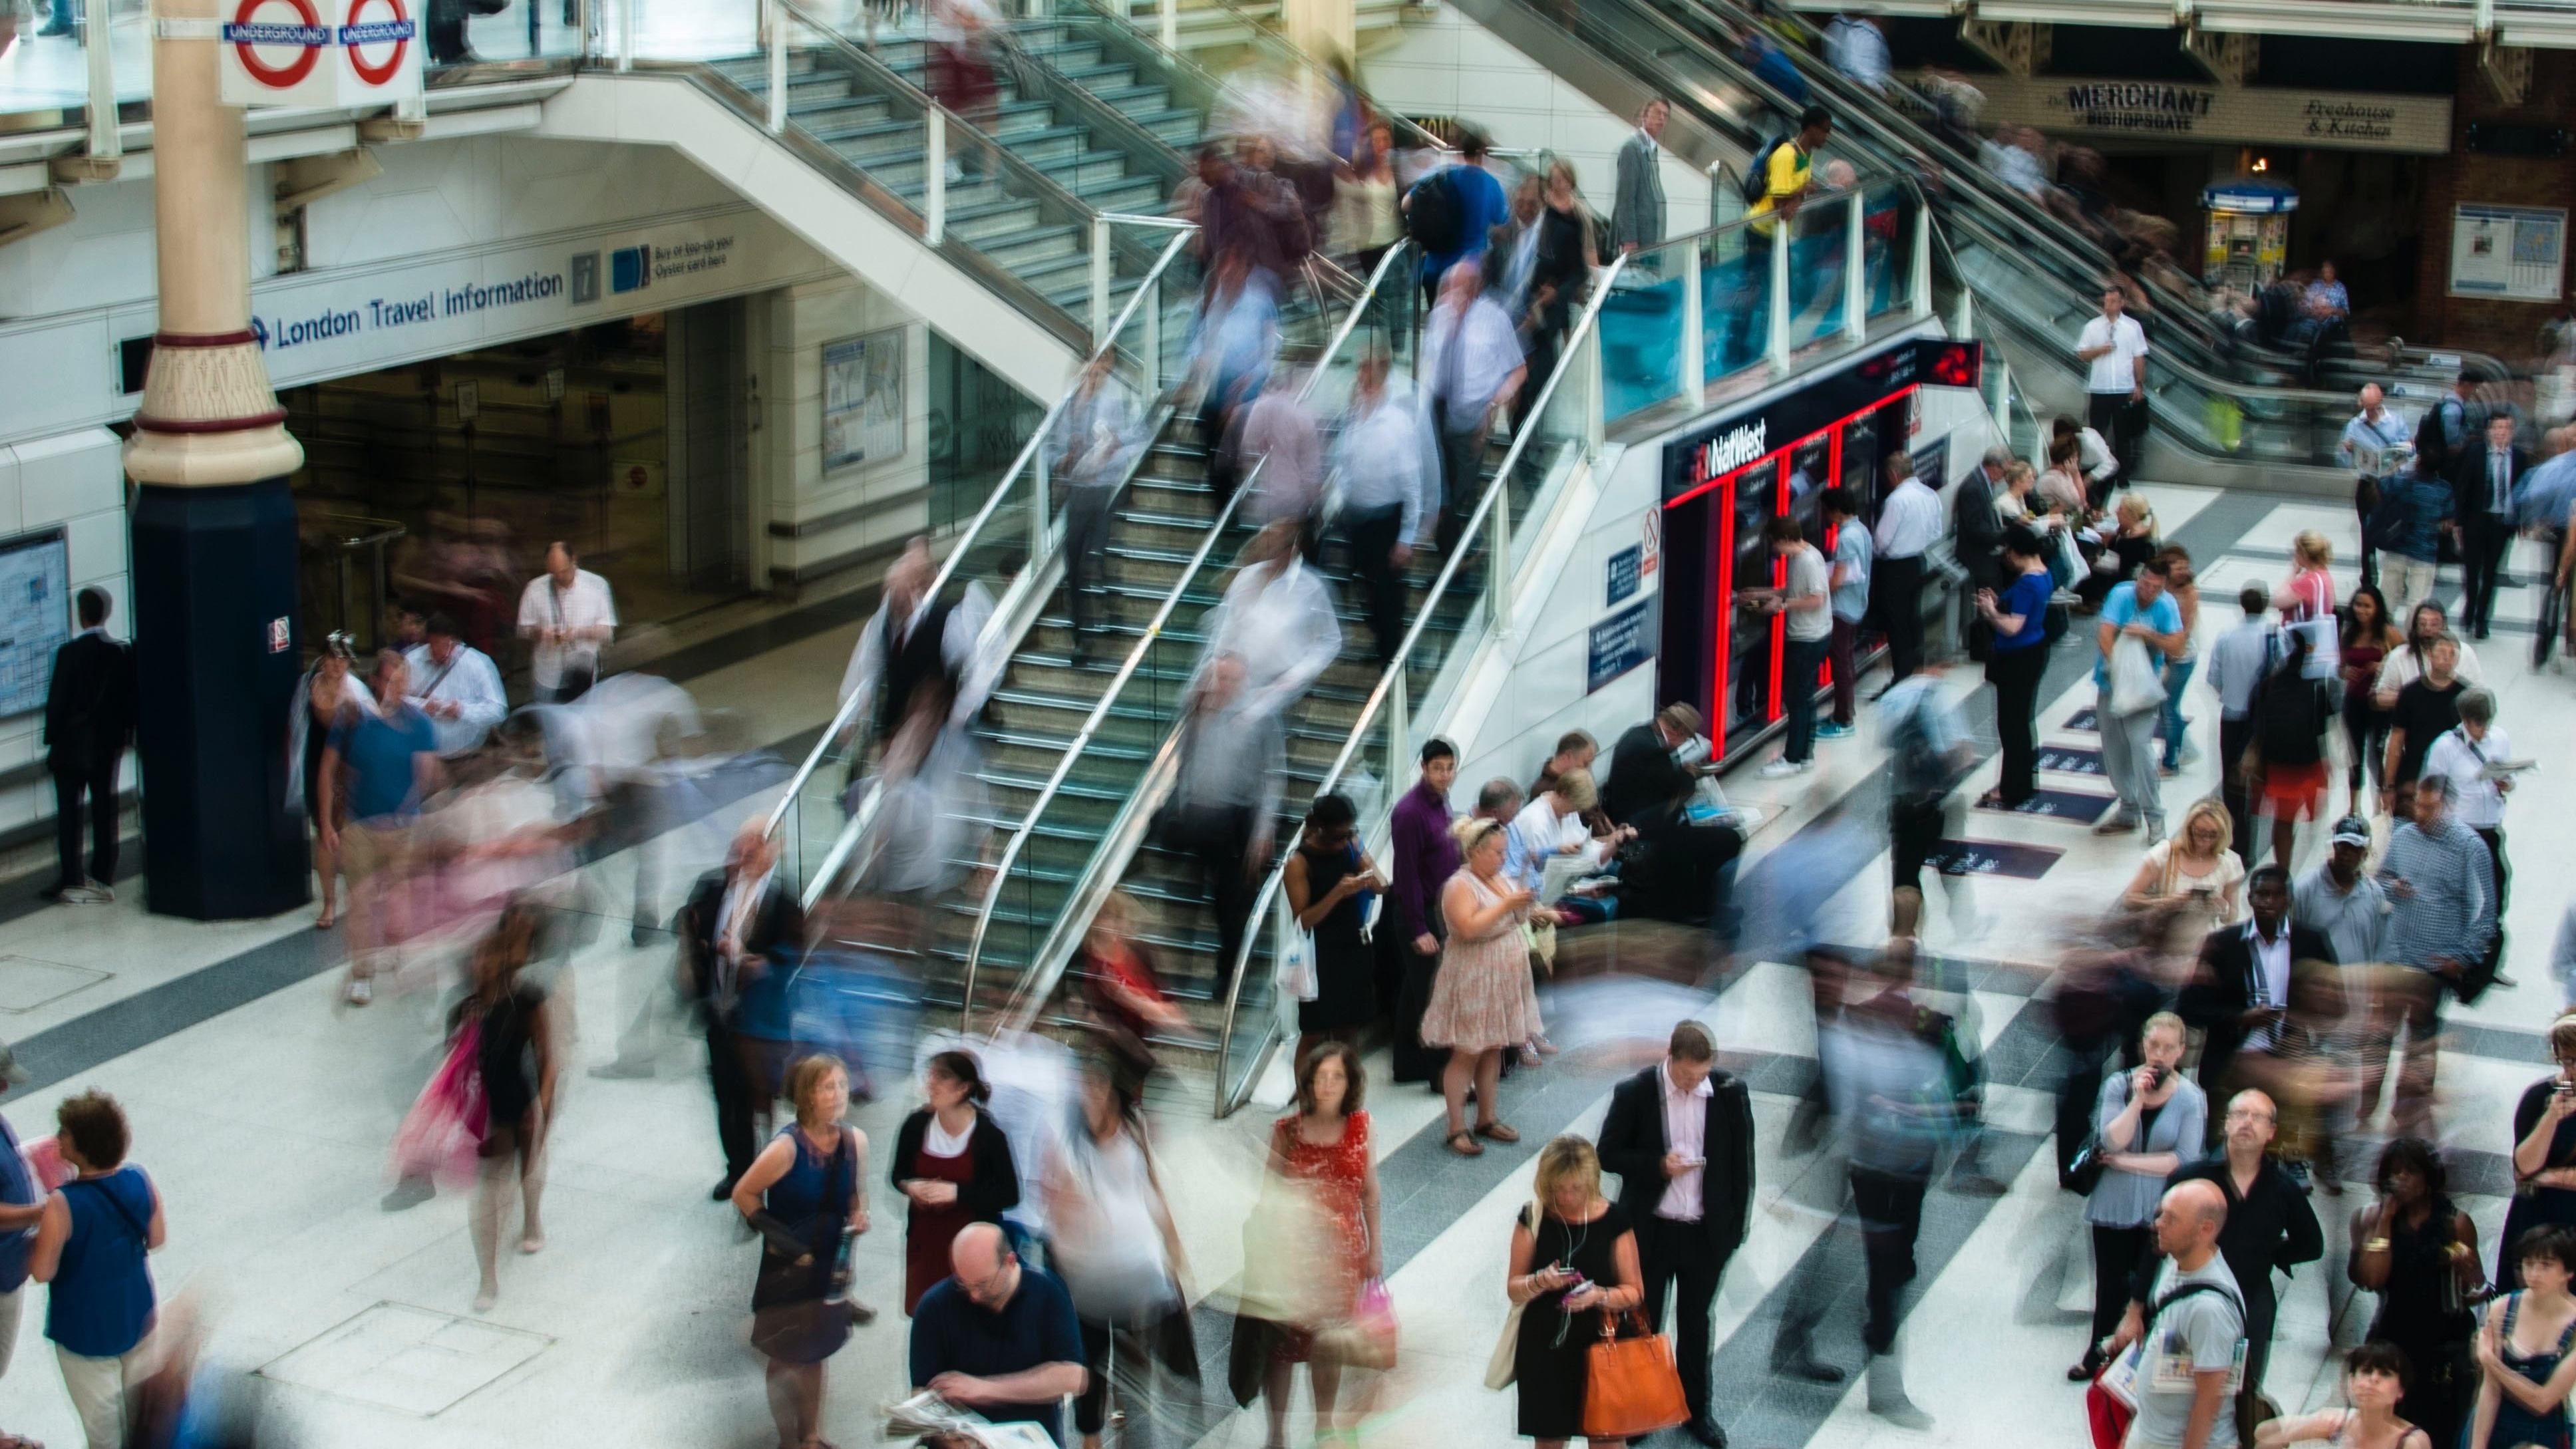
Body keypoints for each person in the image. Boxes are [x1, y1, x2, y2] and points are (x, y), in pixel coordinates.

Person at [1595, 1022, 1750, 1448]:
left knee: (1696, 1324)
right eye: (1686, 1075)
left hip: (1704, 1234)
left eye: (1701, 1076)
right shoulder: (1636, 1093)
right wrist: (1659, 1165)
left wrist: (1734, 1231)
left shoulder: (1730, 1094)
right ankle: (1641, 1410)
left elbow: (1742, 1168)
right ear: (1671, 1057)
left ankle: (1696, 1410)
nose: (1694, 1083)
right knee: (1643, 1322)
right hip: (1652, 1231)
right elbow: (1607, 1154)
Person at [2126, 1090, 2322, 1392]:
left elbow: (2312, 1244)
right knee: (2176, 1389)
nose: (2247, 1122)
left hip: (2250, 1300)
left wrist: (2272, 1254)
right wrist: (2135, 1309)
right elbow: (2157, 1243)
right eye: (2240, 1114)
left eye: (2258, 1118)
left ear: (2271, 1133)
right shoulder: (2191, 1177)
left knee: (2242, 1393)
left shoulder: (2283, 1188)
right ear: (2226, 1123)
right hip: (2188, 1295)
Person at [1050, 1056, 1188, 1449]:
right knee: (1089, 1359)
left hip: (1136, 1269)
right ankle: (1092, 1436)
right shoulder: (1068, 1143)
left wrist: (1174, 1248)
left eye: (1098, 1088)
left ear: (1113, 1093)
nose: (1090, 1096)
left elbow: (1152, 1186)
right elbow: (1057, 1204)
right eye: (1085, 1090)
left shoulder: (1133, 1129)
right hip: (1086, 1275)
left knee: (1135, 1357)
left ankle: (1133, 1428)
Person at [733, 1054, 868, 1449]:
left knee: (817, 1353)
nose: (839, 1094)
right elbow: (744, 1194)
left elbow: (856, 1197)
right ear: (807, 1095)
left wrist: (860, 1216)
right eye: (828, 1087)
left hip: (828, 1268)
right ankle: (786, 1441)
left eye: (842, 1085)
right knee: (785, 1355)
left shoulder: (854, 1142)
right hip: (787, 1271)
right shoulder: (786, 1148)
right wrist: (785, 1241)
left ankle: (811, 1435)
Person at [1261, 1043, 1382, 1448]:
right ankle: (1276, 1433)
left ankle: (1323, 1425)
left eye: (1337, 1076)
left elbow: (1370, 1192)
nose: (1328, 1085)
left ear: (1350, 1083)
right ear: (1308, 1083)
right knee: (1280, 1347)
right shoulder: (1287, 1131)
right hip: (1292, 1255)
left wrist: (1375, 1248)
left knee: (1328, 1344)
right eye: (1321, 1077)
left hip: (1343, 1257)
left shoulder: (1362, 1127)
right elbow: (1268, 1198)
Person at [2076, 1012, 2207, 1380]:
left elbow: (2183, 1160)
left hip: (2159, 1209)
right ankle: (2097, 1355)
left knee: (2146, 1290)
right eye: (2153, 1046)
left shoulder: (2191, 1098)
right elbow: (2112, 1137)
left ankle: (2138, 1365)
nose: (2159, 1055)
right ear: (2142, 1047)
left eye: (2168, 1048)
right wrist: (2137, 1100)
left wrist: (2124, 1162)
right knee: (2109, 1285)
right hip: (2113, 1203)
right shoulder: (2118, 1085)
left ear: (2181, 1051)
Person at [30, 1090, 164, 1449]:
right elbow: (157, 1237)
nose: (58, 1138)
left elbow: (42, 1271)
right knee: (146, 1426)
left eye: (65, 1132)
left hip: (85, 1331)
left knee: (105, 1434)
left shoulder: (63, 1203)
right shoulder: (140, 1179)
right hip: (136, 1315)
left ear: (82, 1144)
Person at [679, 823, 806, 1195]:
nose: (745, 853)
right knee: (724, 1096)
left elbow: (793, 958)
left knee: (756, 1100)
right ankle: (737, 1170)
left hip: (758, 1024)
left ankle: (763, 1175)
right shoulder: (714, 888)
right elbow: (689, 926)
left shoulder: (782, 903)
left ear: (772, 852)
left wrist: (755, 962)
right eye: (741, 845)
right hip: (719, 1014)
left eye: (756, 846)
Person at [319, 650, 443, 1006]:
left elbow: (426, 775)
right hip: (359, 826)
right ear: (376, 681)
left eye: (403, 681)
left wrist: (414, 812)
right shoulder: (353, 719)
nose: (397, 688)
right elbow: (327, 769)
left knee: (399, 902)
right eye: (390, 680)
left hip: (404, 828)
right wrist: (328, 822)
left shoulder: (418, 724)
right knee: (359, 902)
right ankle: (362, 974)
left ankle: (396, 947)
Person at [1502, 1136, 1643, 1449]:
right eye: (1558, 1189)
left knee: (1607, 1439)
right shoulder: (1533, 1218)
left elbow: (1634, 1291)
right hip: (1545, 1348)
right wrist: (1540, 1281)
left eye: (1574, 1189)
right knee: (1549, 1439)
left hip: (1603, 1345)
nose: (1565, 1197)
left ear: (1591, 1182)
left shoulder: (1615, 1220)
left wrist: (1600, 1296)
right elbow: (1514, 1288)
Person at [2375, 776, 2495, 1131]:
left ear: (2448, 806)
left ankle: (2408, 1108)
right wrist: (2392, 887)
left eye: (2430, 807)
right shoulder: (2403, 837)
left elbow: (2485, 910)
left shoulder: (2470, 848)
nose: (2421, 813)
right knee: (2380, 1032)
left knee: (2421, 1037)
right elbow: (2381, 878)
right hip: (2397, 954)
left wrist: (2464, 955)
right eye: (2419, 806)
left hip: (2434, 963)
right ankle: (2367, 1099)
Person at [1164, 655, 1285, 1000]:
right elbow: (1184, 760)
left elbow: (1272, 776)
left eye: (1231, 679)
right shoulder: (1198, 710)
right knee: (1186, 895)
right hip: (1198, 816)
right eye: (1220, 678)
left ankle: (1228, 976)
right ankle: (1179, 975)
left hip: (1236, 819)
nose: (1224, 685)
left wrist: (1264, 830)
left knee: (1229, 904)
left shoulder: (1259, 716)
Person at [454, 903, 557, 1313]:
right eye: (479, 957)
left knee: (528, 1171)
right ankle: (488, 1277)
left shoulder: (527, 1000)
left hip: (520, 1100)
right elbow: (454, 1072)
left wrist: (544, 1103)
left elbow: (547, 1058)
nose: (484, 964)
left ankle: (532, 1217)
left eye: (491, 955)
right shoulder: (464, 1010)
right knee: (486, 1192)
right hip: (484, 1112)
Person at [2348, 1139, 2482, 1448]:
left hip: (2444, 1344)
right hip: (2395, 1336)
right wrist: (2385, 1220)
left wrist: (2467, 1273)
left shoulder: (2455, 1223)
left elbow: (2476, 1289)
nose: (2401, 1180)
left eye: (2410, 1172)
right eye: (2394, 1173)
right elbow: (2371, 1278)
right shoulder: (2370, 1218)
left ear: (2427, 1178)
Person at [908, 1223, 1086, 1447]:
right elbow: (921, 1392)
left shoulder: (1047, 1291)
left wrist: (985, 1389)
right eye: (963, 1283)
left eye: (983, 1284)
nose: (973, 1295)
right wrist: (946, 1437)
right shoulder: (934, 1306)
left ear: (1010, 1262)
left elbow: (1073, 1376)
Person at [2178, 866, 2329, 1131]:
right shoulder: (2223, 944)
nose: (2269, 902)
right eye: (2262, 894)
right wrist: (2239, 1018)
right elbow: (2190, 1007)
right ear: (2250, 898)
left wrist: (2304, 1030)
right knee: (2226, 1141)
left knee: (2280, 1144)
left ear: (2289, 898)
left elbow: (2332, 1002)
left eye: (2276, 895)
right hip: (2232, 1064)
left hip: (2288, 1065)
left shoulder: (2310, 943)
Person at [1422, 817, 1538, 1157]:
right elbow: (1467, 928)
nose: (1503, 859)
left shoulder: (1498, 877)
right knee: (1468, 1050)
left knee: (1493, 1047)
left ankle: (1487, 1118)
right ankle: (1455, 1126)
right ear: (1475, 852)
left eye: (1504, 852)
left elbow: (1514, 916)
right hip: (1474, 974)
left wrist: (1528, 904)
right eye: (1497, 853)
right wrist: (1507, 905)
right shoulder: (1459, 884)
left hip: (1502, 973)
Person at [2106, 1179, 2245, 1449]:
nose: (2158, 1224)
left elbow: (2210, 1399)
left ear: (2205, 1230)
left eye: (2171, 1219)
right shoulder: (2174, 1262)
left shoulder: (2210, 1310)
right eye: (2161, 1214)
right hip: (2150, 1434)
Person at [838, 537, 1000, 764]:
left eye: (897, 592)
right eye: (889, 592)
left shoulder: (947, 619)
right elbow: (865, 670)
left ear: (916, 588)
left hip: (936, 732)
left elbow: (978, 667)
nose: (890, 600)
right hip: (900, 729)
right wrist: (851, 719)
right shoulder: (883, 622)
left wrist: (959, 718)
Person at [1333, 351, 1439, 672]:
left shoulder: (1397, 423)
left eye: (1367, 375)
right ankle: (1381, 646)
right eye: (1360, 374)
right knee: (1366, 589)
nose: (1361, 381)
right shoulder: (1355, 417)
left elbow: (1412, 484)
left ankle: (1394, 657)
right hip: (1357, 517)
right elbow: (1345, 462)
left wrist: (1408, 536)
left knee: (1388, 595)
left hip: (1386, 520)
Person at [893, 1050, 1021, 1316]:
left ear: (964, 1088)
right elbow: (898, 1175)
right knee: (928, 1316)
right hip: (925, 1243)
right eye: (931, 1075)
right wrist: (910, 1187)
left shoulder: (988, 1136)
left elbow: (1009, 1194)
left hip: (972, 1251)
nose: (932, 1083)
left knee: (968, 1317)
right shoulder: (916, 1125)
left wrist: (958, 1194)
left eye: (942, 1077)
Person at [1422, 261, 1526, 557]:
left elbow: (1518, 370)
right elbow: (1429, 363)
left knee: (1460, 492)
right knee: (1441, 490)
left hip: (1474, 416)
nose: (1454, 293)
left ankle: (1458, 557)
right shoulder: (1439, 316)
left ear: (1476, 287)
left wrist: (1494, 405)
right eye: (1451, 286)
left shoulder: (1494, 319)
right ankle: (1453, 553)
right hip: (1438, 411)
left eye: (1462, 286)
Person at [40, 587, 134, 907]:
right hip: (106, 748)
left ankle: (71, 877)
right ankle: (103, 876)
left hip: (70, 749)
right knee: (104, 810)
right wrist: (124, 737)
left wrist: (51, 738)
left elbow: (57, 705)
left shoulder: (69, 655)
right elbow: (127, 704)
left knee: (70, 814)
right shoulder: (119, 654)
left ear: (81, 615)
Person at [1285, 794, 1387, 1064]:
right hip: (1319, 955)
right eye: (1340, 836)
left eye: (1350, 833)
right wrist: (1337, 893)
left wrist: (1362, 854)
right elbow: (1303, 920)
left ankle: (1348, 1100)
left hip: (1352, 947)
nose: (1345, 840)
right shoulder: (1299, 862)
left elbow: (1382, 886)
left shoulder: (1349, 849)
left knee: (1349, 1030)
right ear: (1321, 830)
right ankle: (1308, 1103)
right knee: (1314, 1034)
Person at [1054, 348, 1141, 657]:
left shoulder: (1113, 405)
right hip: (1078, 493)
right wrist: (1062, 460)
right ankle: (1081, 637)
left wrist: (1115, 448)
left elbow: (1134, 435)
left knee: (1100, 555)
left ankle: (1112, 609)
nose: (1091, 381)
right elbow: (1050, 449)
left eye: (1096, 375)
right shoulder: (1067, 410)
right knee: (1074, 565)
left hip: (1104, 491)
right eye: (1087, 375)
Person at [2094, 558, 2187, 840]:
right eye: (2145, 584)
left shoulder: (2166, 605)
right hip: (2111, 684)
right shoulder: (2121, 595)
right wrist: (2119, 669)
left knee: (2140, 746)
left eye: (2155, 588)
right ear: (2139, 578)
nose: (2148, 591)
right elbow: (2105, 634)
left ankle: (2154, 815)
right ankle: (2128, 807)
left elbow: (2178, 646)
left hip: (2144, 690)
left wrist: (2148, 634)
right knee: (2114, 747)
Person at [1733, 106, 1832, 366]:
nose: (1827, 136)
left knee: (1779, 289)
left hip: (1779, 233)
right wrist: (1804, 190)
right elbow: (1778, 197)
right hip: (1760, 230)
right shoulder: (1786, 156)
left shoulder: (1805, 156)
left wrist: (1800, 194)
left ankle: (1765, 343)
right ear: (1810, 129)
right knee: (1754, 289)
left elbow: (1793, 196)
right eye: (1824, 130)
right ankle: (1739, 346)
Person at [1388, 739, 1462, 1086]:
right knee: (1433, 993)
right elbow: (1407, 875)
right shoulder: (1409, 812)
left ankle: (1406, 1065)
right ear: (1424, 768)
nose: (1445, 775)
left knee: (1413, 988)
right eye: (1438, 769)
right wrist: (1419, 928)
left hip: (1438, 908)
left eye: (1450, 768)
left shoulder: (1440, 802)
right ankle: (1440, 1074)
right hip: (1418, 912)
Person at [1967, 525, 2055, 808]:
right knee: (2021, 723)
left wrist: (1991, 614)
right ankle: (2020, 782)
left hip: (2018, 658)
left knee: (2011, 725)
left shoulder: (2029, 583)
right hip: (2034, 651)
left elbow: (2013, 627)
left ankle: (2013, 788)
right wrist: (1999, 603)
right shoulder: (2044, 573)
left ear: (2016, 552)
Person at [2468, 1225, 2576, 1449]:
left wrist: (2490, 1362)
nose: (2534, 1274)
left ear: (2568, 1272)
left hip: (2545, 1436)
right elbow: (2490, 1389)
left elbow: (2543, 1401)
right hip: (2497, 1425)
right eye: (2528, 1264)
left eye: (2546, 1265)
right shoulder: (2502, 1308)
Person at [2420, 687, 2513, 941]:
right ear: (2464, 720)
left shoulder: (2500, 739)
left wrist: (2507, 783)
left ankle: (2488, 950)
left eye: (2486, 722)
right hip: (2459, 832)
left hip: (2490, 827)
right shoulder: (2445, 747)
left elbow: (2510, 778)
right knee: (2460, 894)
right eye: (2476, 724)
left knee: (2497, 886)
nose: (2482, 729)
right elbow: (2431, 790)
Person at [1750, 515, 1834, 778]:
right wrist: (1763, 594)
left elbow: (1816, 598)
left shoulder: (1807, 561)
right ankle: (1804, 755)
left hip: (1806, 640)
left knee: (1796, 700)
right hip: (1815, 636)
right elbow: (1795, 589)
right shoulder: (1806, 557)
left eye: (1776, 544)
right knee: (1805, 699)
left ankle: (1792, 758)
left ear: (1786, 540)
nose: (1775, 550)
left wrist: (1783, 606)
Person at [2244, 625, 2333, 870]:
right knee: (2305, 822)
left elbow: (2256, 723)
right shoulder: (2317, 685)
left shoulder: (2269, 683)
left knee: (2284, 822)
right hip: (2306, 765)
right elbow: (2325, 726)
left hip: (2279, 766)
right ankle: (2295, 871)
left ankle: (2284, 872)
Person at [2205, 585, 2281, 864]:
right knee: (2258, 782)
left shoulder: (2227, 637)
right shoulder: (2274, 635)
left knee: (2233, 786)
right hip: (2264, 721)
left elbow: (2213, 677)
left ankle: (2237, 847)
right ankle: (2254, 844)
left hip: (2233, 716)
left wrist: (2231, 692)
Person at [2500, 1017, 2576, 1291]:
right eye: (2566, 1061)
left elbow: (2537, 1176)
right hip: (2538, 1214)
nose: (2571, 1070)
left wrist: (2551, 1177)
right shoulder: (2539, 1096)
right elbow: (2523, 1169)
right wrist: (2552, 1117)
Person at [2253, 1342, 2434, 1449]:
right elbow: (2263, 1434)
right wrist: (2307, 1428)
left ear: (2401, 1390)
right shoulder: (2339, 1421)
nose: (2373, 1380)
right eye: (2366, 1371)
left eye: (2385, 1374)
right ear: (2352, 1382)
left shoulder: (2411, 1441)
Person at [1409, 128, 1510, 305]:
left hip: (1434, 268)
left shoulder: (1441, 176)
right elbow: (1501, 225)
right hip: (1468, 274)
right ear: (1483, 153)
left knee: (1439, 322)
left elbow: (1406, 203)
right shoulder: (1491, 185)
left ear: (1462, 150)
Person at [2450, 413, 2527, 640]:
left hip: (2502, 523)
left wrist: (2521, 522)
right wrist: (2459, 521)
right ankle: (2469, 609)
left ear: (2512, 432)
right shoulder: (2476, 453)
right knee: (2472, 571)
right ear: (2490, 431)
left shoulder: (2520, 457)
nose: (2502, 432)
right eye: (2498, 427)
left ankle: (2482, 620)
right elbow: (2463, 486)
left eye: (2506, 427)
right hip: (2477, 520)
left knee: (2491, 573)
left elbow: (2523, 491)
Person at [1871, 452, 1944, 688]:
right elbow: (1936, 533)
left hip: (1895, 568)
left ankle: (1902, 676)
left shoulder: (1897, 500)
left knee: (1897, 623)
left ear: (1893, 474)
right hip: (1918, 563)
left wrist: (1878, 554)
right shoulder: (1929, 495)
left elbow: (1881, 540)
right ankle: (1917, 667)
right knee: (1913, 618)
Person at [516, 540, 615, 703]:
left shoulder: (597, 586)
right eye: (554, 573)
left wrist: (578, 633)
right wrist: (540, 633)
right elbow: (523, 629)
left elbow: (607, 632)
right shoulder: (534, 589)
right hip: (548, 675)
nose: (559, 577)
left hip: (582, 673)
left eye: (563, 571)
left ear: (574, 560)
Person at [2380, 633, 2467, 818]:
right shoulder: (2411, 693)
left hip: (2451, 779)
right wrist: (2389, 786)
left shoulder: (2465, 695)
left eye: (2453, 654)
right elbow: (2396, 742)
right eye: (2442, 652)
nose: (2447, 658)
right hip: (2412, 774)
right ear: (2429, 654)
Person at [401, 611, 507, 758]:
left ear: (455, 642)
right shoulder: (412, 660)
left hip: (466, 753)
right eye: (433, 645)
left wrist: (461, 710)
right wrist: (422, 706)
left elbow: (498, 710)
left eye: (445, 646)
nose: (439, 652)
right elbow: (395, 700)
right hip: (421, 753)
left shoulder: (478, 663)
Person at [2338, 587, 2404, 817]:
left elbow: (2404, 658)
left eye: (2367, 606)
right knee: (2354, 755)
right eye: (2358, 605)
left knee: (2378, 754)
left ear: (2377, 608)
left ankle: (2381, 804)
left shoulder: (2389, 634)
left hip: (2380, 704)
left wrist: (2384, 666)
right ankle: (2353, 809)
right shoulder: (2349, 633)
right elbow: (2339, 666)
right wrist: (2345, 672)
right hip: (2354, 702)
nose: (2362, 610)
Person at [2077, 285, 2151, 484]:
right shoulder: (2093, 326)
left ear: (2122, 303)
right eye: (2106, 301)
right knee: (2096, 433)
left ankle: (2123, 474)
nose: (2108, 305)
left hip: (2123, 388)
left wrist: (2138, 385)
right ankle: (2095, 471)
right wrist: (2100, 350)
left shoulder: (2132, 327)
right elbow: (2082, 353)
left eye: (2112, 301)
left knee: (2122, 434)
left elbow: (2138, 357)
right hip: (2100, 388)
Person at [2342, 385, 2414, 587]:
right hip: (2367, 483)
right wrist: (2348, 451)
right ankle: (2369, 578)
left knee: (2396, 531)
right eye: (2367, 407)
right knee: (2367, 533)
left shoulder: (2395, 421)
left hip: (2391, 482)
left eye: (2374, 406)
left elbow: (2409, 450)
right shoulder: (2355, 425)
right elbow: (2345, 460)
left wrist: (2404, 450)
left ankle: (2400, 578)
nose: (2371, 411)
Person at [2374, 454, 2454, 626]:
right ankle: (2413, 638)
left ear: (2418, 462)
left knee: (2388, 596)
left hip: (2397, 547)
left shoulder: (2400, 481)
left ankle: (2384, 633)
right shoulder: (2444, 489)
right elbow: (2447, 521)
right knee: (2417, 602)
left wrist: (2394, 468)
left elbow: (2381, 485)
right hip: (2425, 551)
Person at [1822, 488, 1873, 738]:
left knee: (1841, 665)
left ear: (1835, 511)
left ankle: (1844, 719)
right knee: (1845, 662)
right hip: (1856, 606)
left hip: (1841, 609)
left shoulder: (1846, 538)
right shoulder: (1861, 530)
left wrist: (1818, 591)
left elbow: (1838, 579)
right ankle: (1842, 714)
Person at [1603, 704, 1703, 828]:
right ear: (1679, 732)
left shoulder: (1639, 732)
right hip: (1638, 825)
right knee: (1728, 838)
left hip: (1628, 813)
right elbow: (1679, 787)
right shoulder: (1653, 751)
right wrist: (1689, 773)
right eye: (1686, 739)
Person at [2372, 601, 2485, 711]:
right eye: (2422, 623)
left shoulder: (2465, 652)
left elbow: (2478, 694)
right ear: (2415, 627)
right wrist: (2412, 698)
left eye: (2434, 624)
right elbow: (2379, 698)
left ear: (2445, 625)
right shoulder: (2399, 656)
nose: (2428, 629)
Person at [2158, 547, 2204, 775]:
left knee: (2169, 707)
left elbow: (2184, 627)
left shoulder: (2189, 593)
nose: (2184, 571)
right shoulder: (2163, 587)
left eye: (2185, 567)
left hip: (2181, 657)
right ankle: (2186, 747)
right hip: (2165, 652)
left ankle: (2171, 761)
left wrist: (2168, 651)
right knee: (2167, 707)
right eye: (2178, 567)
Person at [1611, 98, 1668, 255]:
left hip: (1651, 240)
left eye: (1665, 115)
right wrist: (1629, 239)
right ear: (1645, 115)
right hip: (1638, 243)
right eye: (1658, 113)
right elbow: (1625, 198)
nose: (1662, 119)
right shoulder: (1632, 148)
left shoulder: (1650, 149)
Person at [1824, 10, 1891, 91]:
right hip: (1855, 86)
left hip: (1870, 87)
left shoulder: (1874, 35)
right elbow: (1843, 61)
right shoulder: (1854, 32)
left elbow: (1882, 65)